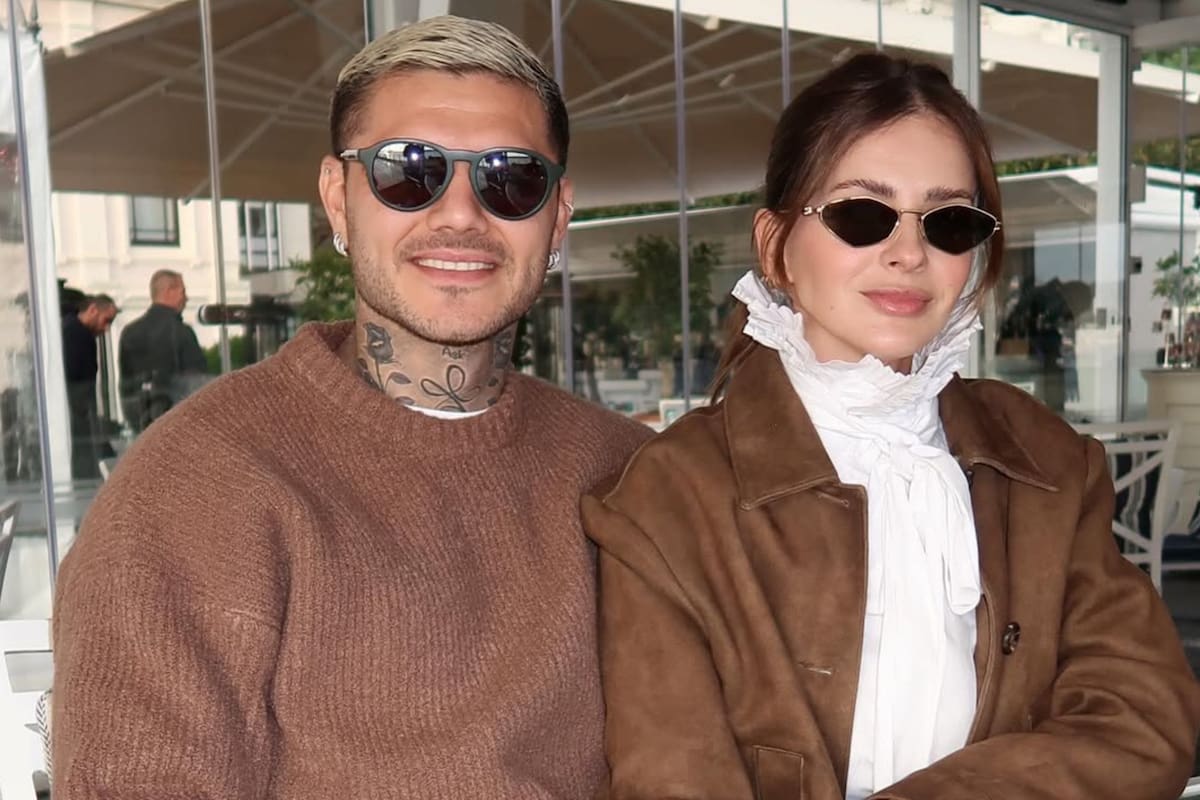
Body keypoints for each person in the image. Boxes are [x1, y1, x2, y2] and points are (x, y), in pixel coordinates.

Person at [51, 15, 652, 800]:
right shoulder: (197, 485)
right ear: (339, 199)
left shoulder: (629, 476)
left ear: (558, 214)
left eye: (512, 179)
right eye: (409, 171)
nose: (461, 214)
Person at [583, 52, 1200, 800]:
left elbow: (1143, 718)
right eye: (862, 215)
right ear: (776, 246)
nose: (909, 253)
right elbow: (674, 778)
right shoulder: (669, 500)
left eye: (949, 222)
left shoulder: (1049, 462)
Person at [117, 268, 208, 432]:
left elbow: (126, 385)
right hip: (177, 426)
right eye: (183, 291)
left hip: (142, 426)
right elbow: (198, 384)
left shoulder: (129, 332)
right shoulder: (181, 332)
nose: (186, 298)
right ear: (169, 291)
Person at [61, 294, 117, 479]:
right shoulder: (76, 335)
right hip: (78, 416)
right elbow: (80, 383)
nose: (106, 328)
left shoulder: (71, 330)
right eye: (106, 320)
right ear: (93, 310)